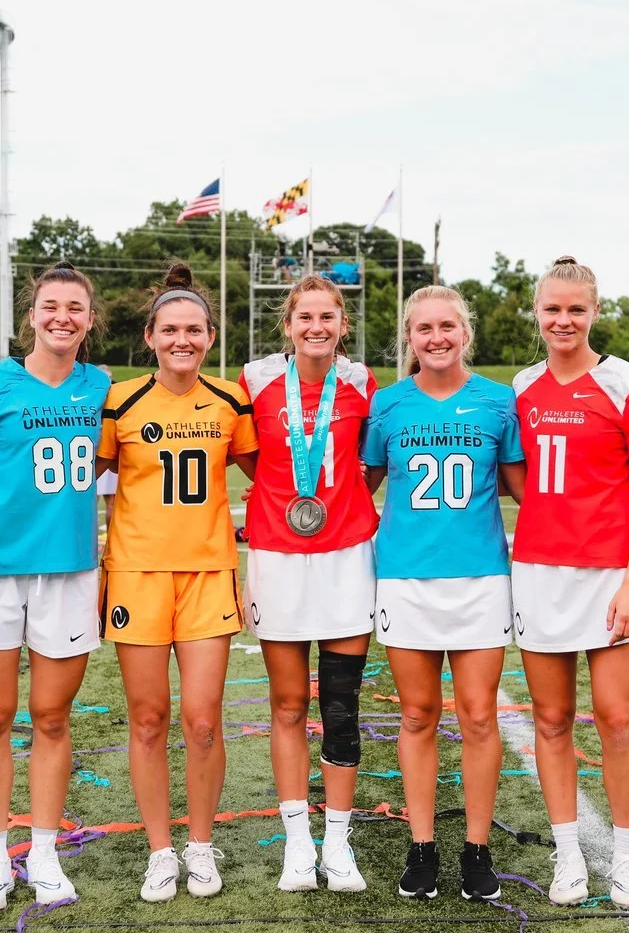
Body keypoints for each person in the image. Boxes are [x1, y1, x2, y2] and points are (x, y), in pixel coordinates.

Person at [0, 264, 112, 912]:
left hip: (70, 572)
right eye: (50, 305)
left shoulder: (103, 387)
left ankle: (42, 852)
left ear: (90, 320)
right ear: (31, 316)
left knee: (53, 718)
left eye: (75, 307)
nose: (63, 316)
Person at [96, 262, 259, 902]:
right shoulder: (119, 400)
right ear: (150, 336)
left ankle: (200, 843)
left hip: (208, 573)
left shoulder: (231, 400)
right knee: (148, 719)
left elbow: (273, 477)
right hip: (136, 574)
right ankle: (160, 850)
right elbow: (83, 479)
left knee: (203, 721)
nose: (182, 340)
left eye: (194, 330)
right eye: (170, 330)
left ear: (211, 336)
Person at [506, 257, 629, 910]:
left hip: (610, 577)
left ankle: (627, 858)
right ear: (537, 313)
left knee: (617, 719)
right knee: (551, 720)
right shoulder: (522, 387)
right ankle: (569, 855)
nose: (563, 320)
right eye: (553, 309)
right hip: (540, 573)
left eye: (576, 309)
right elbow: (518, 478)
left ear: (595, 312)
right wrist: (554, 517)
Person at [361, 286, 525, 902]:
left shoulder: (498, 400)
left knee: (479, 716)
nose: (436, 338)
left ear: (465, 333)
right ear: (410, 337)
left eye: (447, 327)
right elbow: (361, 486)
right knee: (417, 715)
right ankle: (422, 845)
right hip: (405, 577)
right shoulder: (387, 405)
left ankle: (477, 849)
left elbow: (523, 488)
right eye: (424, 328)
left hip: (480, 578)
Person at [238, 276, 377, 892]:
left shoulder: (361, 382)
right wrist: (280, 492)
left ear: (342, 324)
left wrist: (343, 500)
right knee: (290, 703)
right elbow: (249, 454)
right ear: (288, 324)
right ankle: (298, 844)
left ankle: (338, 844)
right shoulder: (256, 379)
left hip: (346, 555)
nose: (316, 327)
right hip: (278, 555)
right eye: (305, 317)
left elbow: (371, 461)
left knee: (341, 705)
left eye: (327, 317)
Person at [93, 365, 116, 532]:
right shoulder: (115, 396)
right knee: (93, 499)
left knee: (108, 501)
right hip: (100, 452)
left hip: (107, 450)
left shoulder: (92, 395)